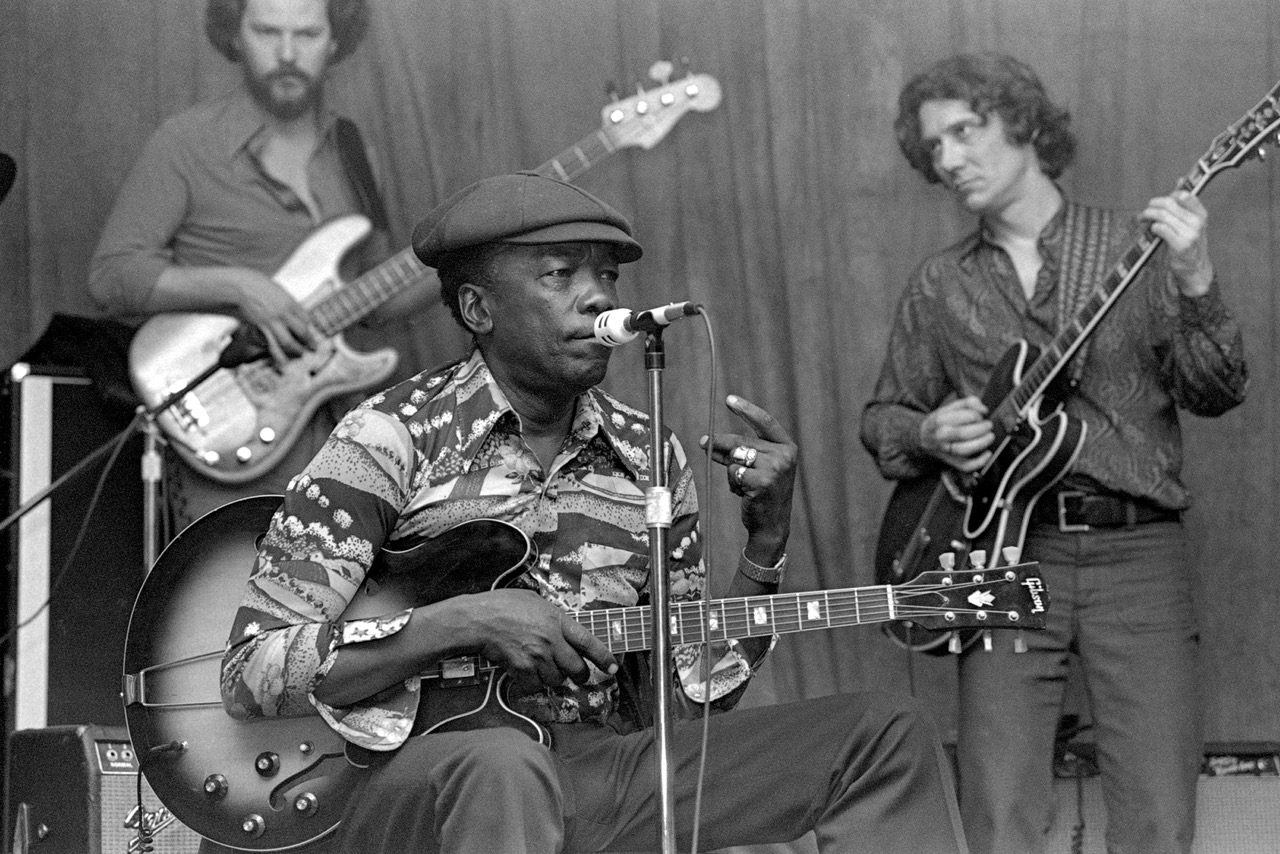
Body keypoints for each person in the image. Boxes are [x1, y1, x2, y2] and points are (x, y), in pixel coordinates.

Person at [220, 171, 970, 854]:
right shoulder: (389, 437)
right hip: (417, 781)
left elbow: (687, 702)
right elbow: (251, 671)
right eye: (560, 274)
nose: (599, 297)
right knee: (506, 767)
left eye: (606, 275)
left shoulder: (649, 453)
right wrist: (466, 621)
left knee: (884, 732)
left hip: (596, 770)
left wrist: (766, 542)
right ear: (478, 308)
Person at [860, 53, 1247, 854]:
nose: (949, 158)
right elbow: (883, 422)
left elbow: (1216, 391)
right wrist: (928, 432)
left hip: (1137, 553)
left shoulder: (1135, 248)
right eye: (934, 147)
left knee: (1158, 817)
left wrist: (1196, 276)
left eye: (965, 131)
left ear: (1023, 123)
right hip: (1003, 553)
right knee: (998, 814)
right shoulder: (940, 284)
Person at [89, 0, 425, 532]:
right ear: (235, 36)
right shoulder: (186, 143)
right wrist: (241, 287)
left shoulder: (354, 149)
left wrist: (466, 254)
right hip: (228, 422)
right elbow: (112, 277)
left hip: (338, 432)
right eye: (268, 31)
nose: (287, 53)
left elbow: (374, 303)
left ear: (335, 40)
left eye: (306, 34)